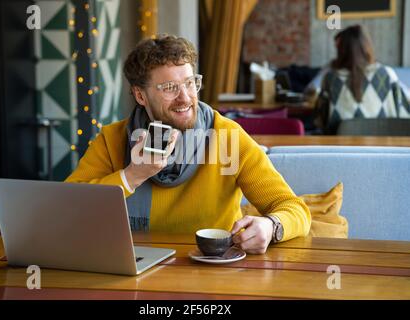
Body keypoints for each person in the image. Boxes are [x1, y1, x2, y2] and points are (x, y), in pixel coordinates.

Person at [65, 34, 311, 254]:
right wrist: (131, 176)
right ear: (140, 95)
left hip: (214, 273)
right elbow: (67, 211)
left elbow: (295, 209)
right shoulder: (113, 140)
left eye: (190, 83)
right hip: (134, 268)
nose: (185, 98)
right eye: (170, 88)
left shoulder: (226, 137)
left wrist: (271, 226)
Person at [314, 25, 410, 134]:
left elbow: (319, 120)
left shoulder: (330, 78)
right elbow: (404, 113)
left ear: (342, 50)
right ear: (366, 46)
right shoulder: (387, 74)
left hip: (340, 147)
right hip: (383, 145)